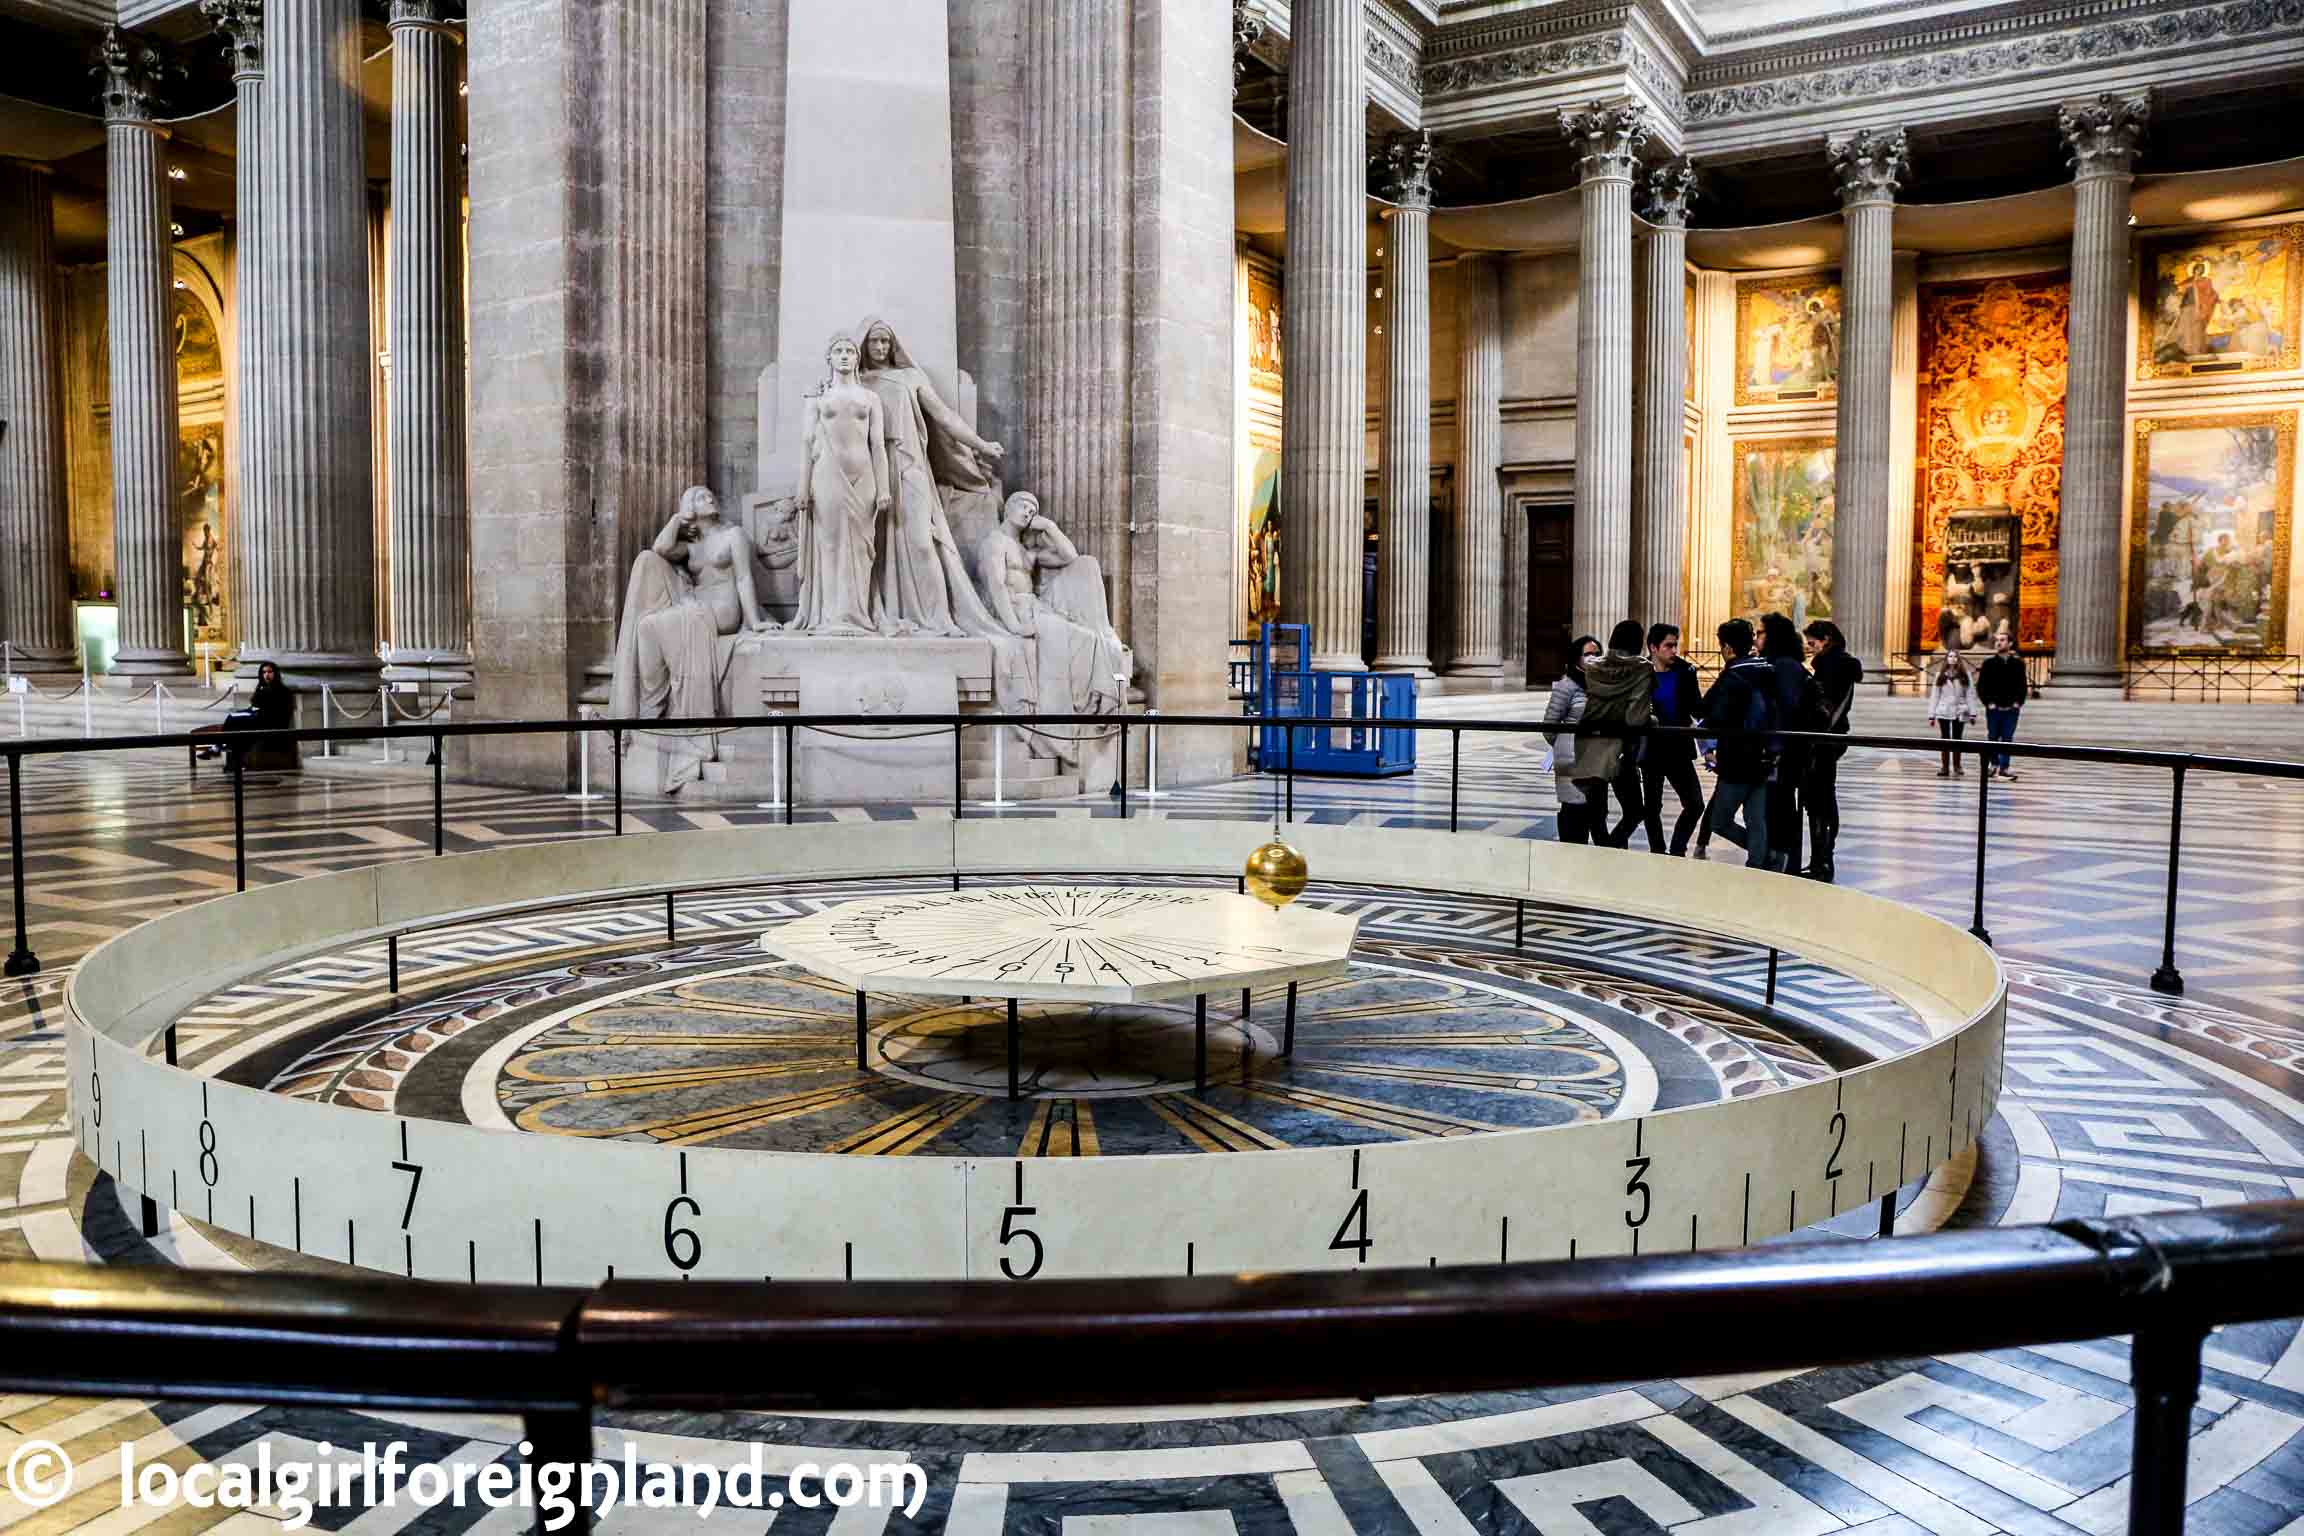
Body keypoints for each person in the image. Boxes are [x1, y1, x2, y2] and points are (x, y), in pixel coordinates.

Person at [854, 316, 1009, 638]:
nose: (881, 347)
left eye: (886, 341)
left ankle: (940, 618)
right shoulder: (856, 382)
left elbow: (944, 416)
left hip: (909, 467)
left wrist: (980, 444)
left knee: (923, 543)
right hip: (869, 470)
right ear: (863, 345)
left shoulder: (909, 377)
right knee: (872, 547)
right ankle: (880, 614)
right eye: (874, 341)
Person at [793, 332, 889, 636]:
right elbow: (807, 442)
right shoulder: (818, 398)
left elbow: (878, 446)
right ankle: (832, 615)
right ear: (829, 358)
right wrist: (802, 486)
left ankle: (856, 613)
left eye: (850, 350)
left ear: (857, 358)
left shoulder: (870, 398)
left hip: (864, 476)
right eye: (839, 351)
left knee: (862, 548)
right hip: (827, 474)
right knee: (830, 543)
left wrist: (884, 488)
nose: (845, 355)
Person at [1697, 618, 1777, 869]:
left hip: (1737, 757)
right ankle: (1759, 862)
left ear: (1728, 647)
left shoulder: (1732, 675)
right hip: (1764, 754)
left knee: (1719, 821)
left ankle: (1765, 855)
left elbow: (1708, 712)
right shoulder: (1768, 669)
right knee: (1756, 819)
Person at [1758, 612, 1824, 873]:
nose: (1756, 637)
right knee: (1778, 806)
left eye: (1760, 632)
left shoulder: (1784, 666)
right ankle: (1780, 858)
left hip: (1782, 750)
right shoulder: (1781, 663)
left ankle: (1785, 862)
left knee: (1781, 806)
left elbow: (1785, 709)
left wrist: (1774, 748)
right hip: (1782, 748)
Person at [1579, 620, 1653, 846]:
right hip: (1620, 749)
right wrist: (1652, 719)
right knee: (1634, 810)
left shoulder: (1592, 667)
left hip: (1589, 745)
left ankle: (1605, 851)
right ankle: (1611, 849)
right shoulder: (1642, 668)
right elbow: (1635, 718)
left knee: (1596, 813)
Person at [1636, 623, 1706, 855]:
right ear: (1654, 647)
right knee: (1652, 806)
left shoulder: (1685, 672)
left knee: (1695, 804)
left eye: (1675, 645)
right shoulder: (1640, 672)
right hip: (1652, 747)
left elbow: (1697, 708)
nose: (1674, 650)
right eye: (1668, 646)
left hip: (1678, 747)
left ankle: (1677, 848)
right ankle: (1658, 849)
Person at [1801, 619, 1861, 881]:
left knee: (1818, 799)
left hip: (1823, 738)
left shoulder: (1830, 665)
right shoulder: (1838, 663)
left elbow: (1825, 706)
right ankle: (1822, 857)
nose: (1809, 646)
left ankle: (1822, 860)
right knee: (1823, 796)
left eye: (1812, 641)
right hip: (1833, 737)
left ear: (1825, 639)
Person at [1544, 636, 1601, 844]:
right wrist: (1564, 745)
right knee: (1573, 810)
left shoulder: (1600, 685)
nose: (1593, 658)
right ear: (1577, 658)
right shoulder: (1566, 686)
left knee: (1593, 814)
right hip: (1572, 760)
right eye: (1588, 654)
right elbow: (1549, 725)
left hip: (1594, 759)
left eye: (1596, 654)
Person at [1977, 630, 2027, 781]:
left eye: (2003, 640)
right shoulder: (1988, 664)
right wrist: (1988, 702)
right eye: (1997, 640)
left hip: (2011, 708)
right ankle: (1994, 764)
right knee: (1993, 736)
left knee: (2007, 737)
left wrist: (2018, 702)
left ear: (2010, 643)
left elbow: (2022, 686)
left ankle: (2004, 767)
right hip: (1994, 708)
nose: (1999, 643)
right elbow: (1982, 686)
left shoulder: (2018, 664)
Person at [1928, 645, 1978, 776]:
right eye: (1950, 656)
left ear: (1958, 659)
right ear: (1946, 659)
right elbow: (1935, 695)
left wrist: (1973, 713)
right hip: (1944, 709)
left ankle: (1957, 765)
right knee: (1945, 738)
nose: (1953, 658)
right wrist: (1931, 715)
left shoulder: (1965, 675)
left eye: (1955, 656)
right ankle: (1944, 767)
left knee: (1957, 738)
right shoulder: (1940, 675)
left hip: (1959, 709)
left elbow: (1970, 694)